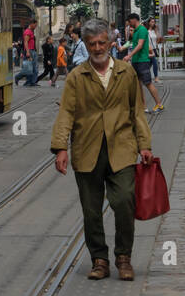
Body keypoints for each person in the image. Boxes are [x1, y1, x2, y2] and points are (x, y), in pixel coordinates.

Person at [50, 18, 154, 282]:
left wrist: (144, 144)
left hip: (121, 147)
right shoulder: (77, 77)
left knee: (123, 202)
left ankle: (123, 257)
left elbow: (137, 111)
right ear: (85, 45)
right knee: (91, 210)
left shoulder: (126, 72)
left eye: (101, 42)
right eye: (92, 43)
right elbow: (66, 114)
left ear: (110, 42)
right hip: (87, 150)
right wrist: (61, 147)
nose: (97, 48)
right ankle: (99, 259)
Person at [126, 13, 163, 113]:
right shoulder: (136, 31)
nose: (129, 24)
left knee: (148, 83)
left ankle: (159, 104)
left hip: (143, 61)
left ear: (134, 20)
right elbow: (132, 44)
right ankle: (143, 106)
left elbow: (140, 45)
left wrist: (129, 56)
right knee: (138, 85)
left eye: (130, 22)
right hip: (136, 61)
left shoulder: (142, 30)